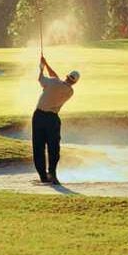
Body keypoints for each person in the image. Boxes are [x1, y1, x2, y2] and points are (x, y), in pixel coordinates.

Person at [33, 56, 79, 184]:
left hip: (38, 116)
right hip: (52, 119)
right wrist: (46, 64)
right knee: (53, 147)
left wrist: (41, 68)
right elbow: (55, 79)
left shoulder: (53, 82)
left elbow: (42, 79)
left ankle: (43, 176)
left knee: (38, 147)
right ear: (75, 82)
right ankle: (52, 173)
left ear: (67, 76)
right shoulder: (70, 91)